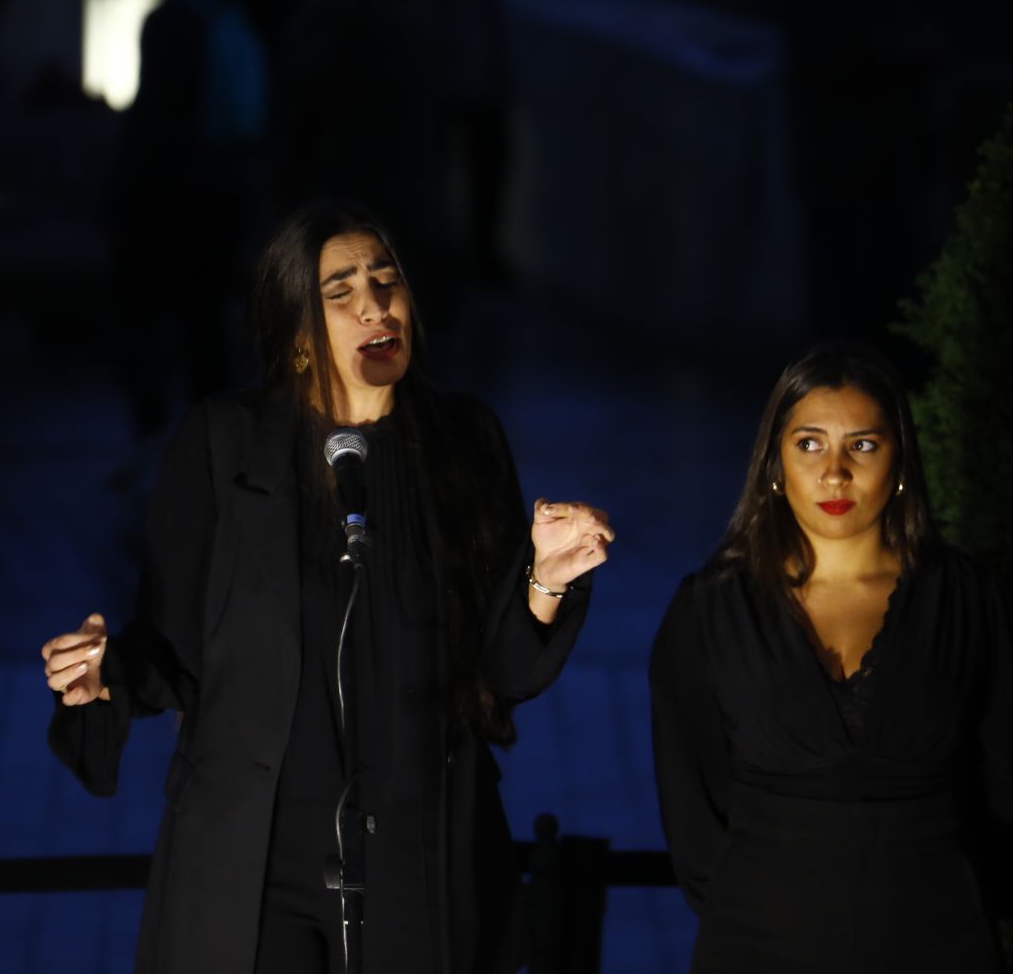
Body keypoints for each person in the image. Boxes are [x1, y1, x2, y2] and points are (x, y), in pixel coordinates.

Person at [41, 200, 614, 974]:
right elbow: (171, 647)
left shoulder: (464, 440)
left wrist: (544, 581)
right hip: (256, 858)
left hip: (418, 852)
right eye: (340, 290)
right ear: (298, 333)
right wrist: (102, 674)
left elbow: (501, 673)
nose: (376, 304)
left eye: (387, 280)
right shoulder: (225, 443)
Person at [649, 341, 1013, 973]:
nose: (835, 473)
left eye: (862, 445)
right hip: (757, 945)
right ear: (775, 463)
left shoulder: (971, 602)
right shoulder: (711, 611)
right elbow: (692, 807)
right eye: (809, 445)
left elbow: (1009, 790)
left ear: (901, 459)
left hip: (942, 944)